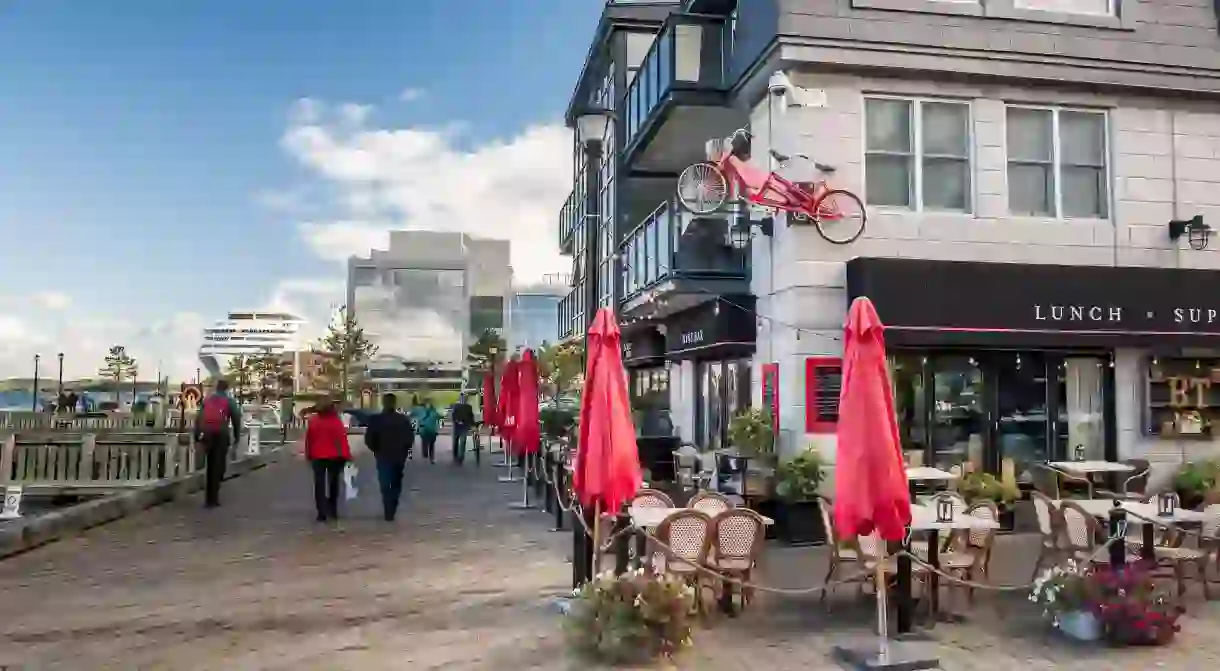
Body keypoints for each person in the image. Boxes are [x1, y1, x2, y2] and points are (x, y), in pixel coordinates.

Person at [193, 379, 242, 509]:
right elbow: (236, 419)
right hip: (221, 435)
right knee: (218, 465)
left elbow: (199, 418)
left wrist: (197, 436)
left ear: (216, 388)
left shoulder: (208, 400)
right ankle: (214, 498)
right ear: (227, 389)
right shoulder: (229, 401)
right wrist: (237, 437)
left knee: (210, 465)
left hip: (207, 435)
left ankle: (208, 499)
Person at [365, 393, 414, 521]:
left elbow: (369, 439)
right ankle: (390, 506)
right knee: (391, 482)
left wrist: (376, 449)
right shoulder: (401, 420)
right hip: (393, 455)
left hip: (387, 455)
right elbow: (409, 438)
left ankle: (390, 505)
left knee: (388, 482)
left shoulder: (379, 419)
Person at [304, 397, 352, 522]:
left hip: (318, 456)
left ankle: (321, 512)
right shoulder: (336, 422)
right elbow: (342, 441)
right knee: (333, 484)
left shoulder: (314, 421)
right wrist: (346, 455)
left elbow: (309, 440)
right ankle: (332, 509)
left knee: (319, 485)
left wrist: (308, 454)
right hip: (335, 457)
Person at [450, 394, 475, 466]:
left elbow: (471, 417)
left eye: (464, 399)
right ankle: (455, 456)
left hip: (464, 426)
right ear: (460, 399)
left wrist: (473, 425)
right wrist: (457, 421)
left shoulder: (468, 407)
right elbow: (453, 416)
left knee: (462, 442)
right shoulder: (456, 406)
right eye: (462, 399)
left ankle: (461, 457)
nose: (463, 400)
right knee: (455, 442)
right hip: (457, 426)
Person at [415, 399, 441, 464]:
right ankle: (430, 457)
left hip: (426, 430)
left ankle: (427, 455)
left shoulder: (422, 411)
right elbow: (439, 417)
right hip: (430, 430)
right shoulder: (433, 412)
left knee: (426, 443)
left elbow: (418, 419)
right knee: (430, 444)